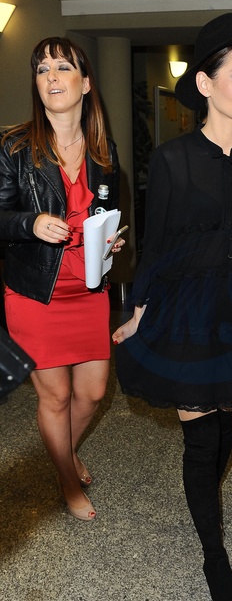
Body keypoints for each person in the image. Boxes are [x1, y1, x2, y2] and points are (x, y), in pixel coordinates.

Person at [112, 13, 232, 601]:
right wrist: (138, 311)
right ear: (205, 83)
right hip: (187, 313)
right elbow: (159, 245)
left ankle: (207, 504)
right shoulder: (172, 160)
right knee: (200, 437)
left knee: (227, 418)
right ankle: (214, 557)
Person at [0, 37, 122, 522]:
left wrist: (111, 241)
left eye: (63, 67)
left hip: (89, 287)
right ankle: (67, 481)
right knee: (56, 396)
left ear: (85, 83)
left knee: (91, 394)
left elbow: (108, 213)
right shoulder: (14, 147)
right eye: (42, 69)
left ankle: (63, 453)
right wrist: (29, 223)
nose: (51, 76)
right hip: (36, 291)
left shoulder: (103, 150)